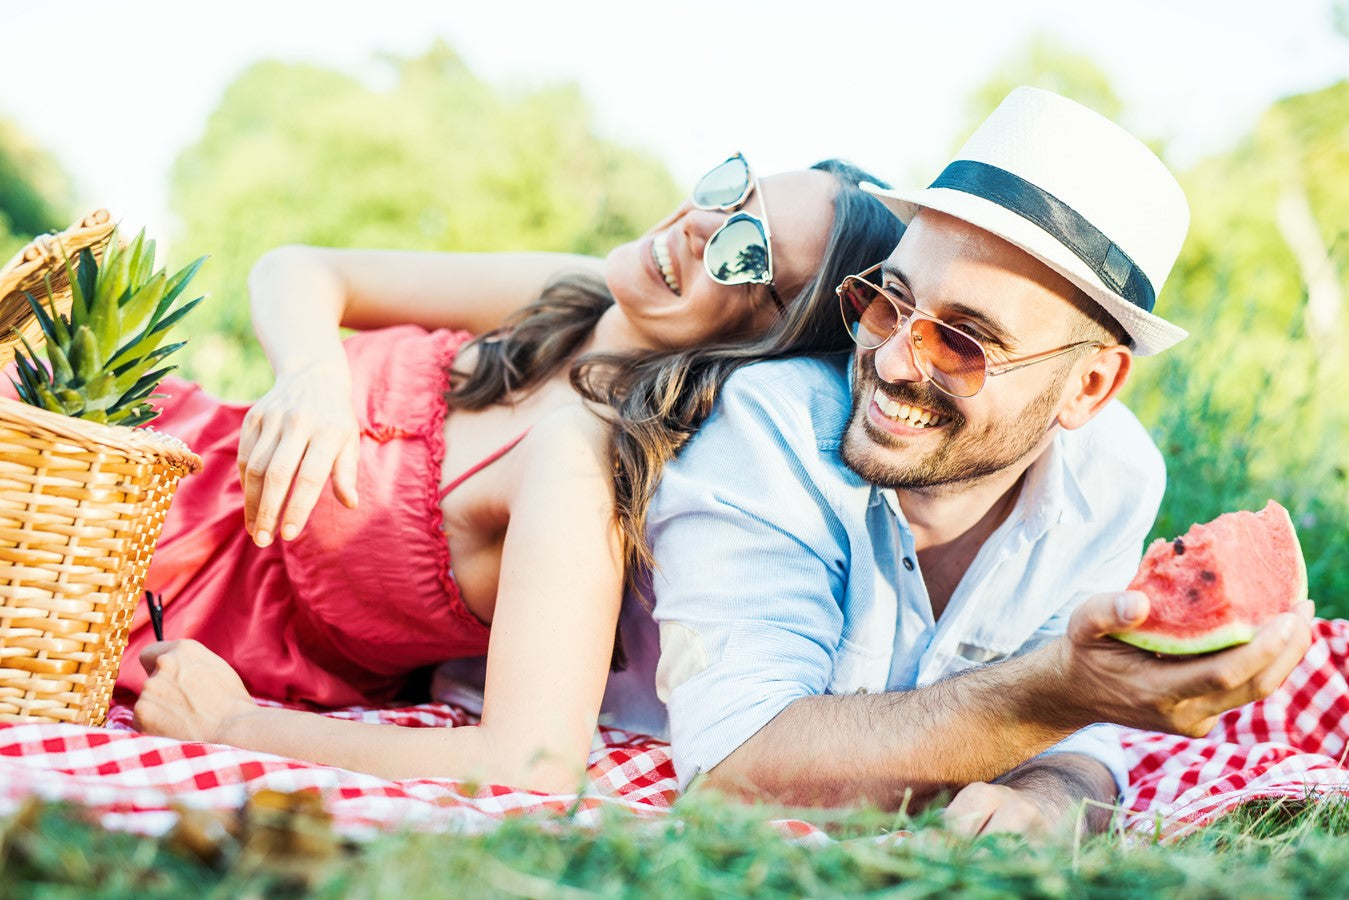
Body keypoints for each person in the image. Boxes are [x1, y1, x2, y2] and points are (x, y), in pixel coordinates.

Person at [645, 87, 1316, 837]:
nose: (893, 364)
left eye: (962, 342)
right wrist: (1055, 691)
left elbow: (1081, 745)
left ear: (1088, 387)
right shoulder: (773, 424)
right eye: (885, 303)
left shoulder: (1115, 476)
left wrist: (1048, 802)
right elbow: (728, 770)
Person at [118, 155, 905, 793]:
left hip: (165, 615)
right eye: (732, 191)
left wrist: (234, 728)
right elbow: (300, 269)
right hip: (133, 464)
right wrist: (309, 372)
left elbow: (530, 762)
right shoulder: (574, 295)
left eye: (747, 252)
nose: (701, 227)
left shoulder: (581, 464)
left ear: (767, 343)